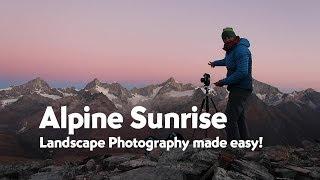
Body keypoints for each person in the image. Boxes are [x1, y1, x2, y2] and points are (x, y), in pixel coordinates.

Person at [208, 27, 252, 142]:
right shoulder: (232, 50)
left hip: (241, 88)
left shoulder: (240, 50)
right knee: (239, 118)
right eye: (224, 38)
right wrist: (215, 63)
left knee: (229, 118)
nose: (227, 39)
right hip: (238, 88)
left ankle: (233, 147)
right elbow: (227, 61)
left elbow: (242, 72)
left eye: (229, 37)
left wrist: (223, 81)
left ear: (234, 36)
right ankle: (245, 143)